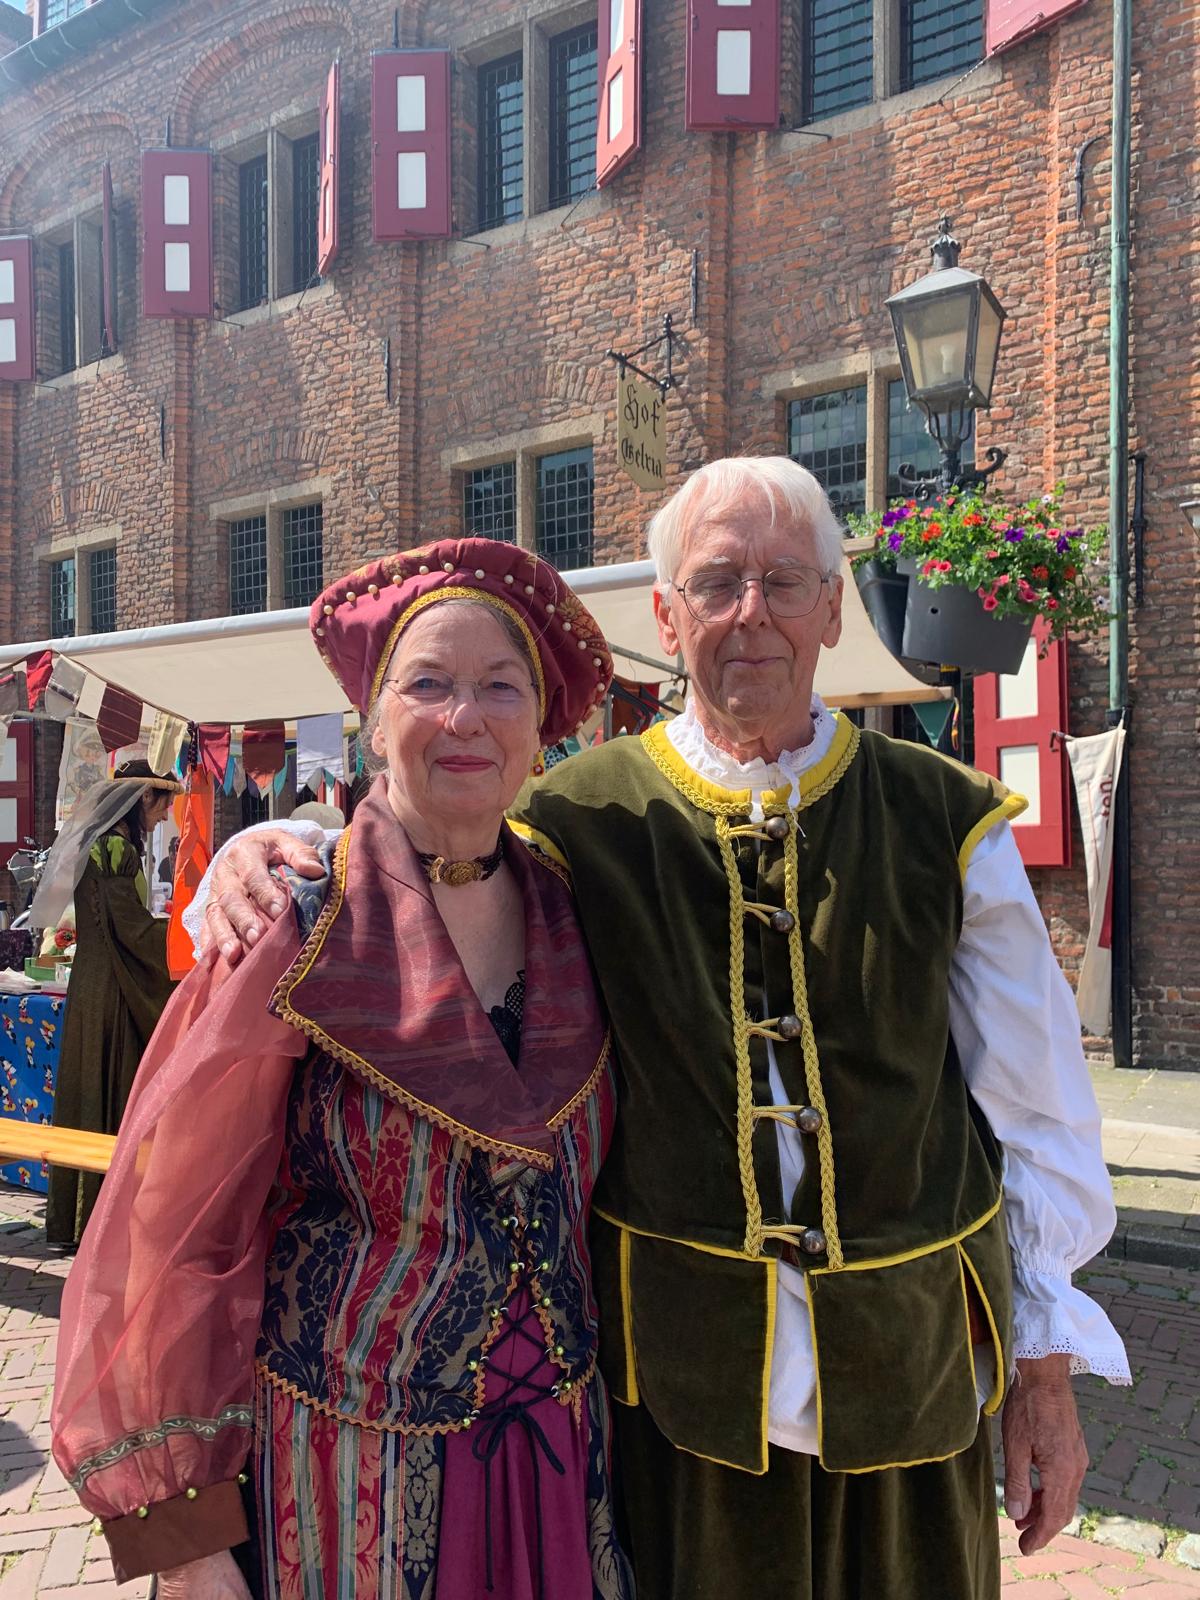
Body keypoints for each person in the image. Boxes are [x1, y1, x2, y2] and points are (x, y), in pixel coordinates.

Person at [196, 458, 1130, 1600]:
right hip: (678, 1387)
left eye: (786, 581)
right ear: (667, 615)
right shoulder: (573, 816)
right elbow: (427, 840)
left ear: (835, 609)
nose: (753, 613)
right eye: (718, 582)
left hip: (913, 1369)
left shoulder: (948, 818)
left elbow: (1038, 1110)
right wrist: (266, 852)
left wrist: (1044, 1376)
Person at [51, 540, 632, 1600]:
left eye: (502, 686)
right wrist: (185, 1540)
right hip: (347, 1480)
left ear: (544, 724)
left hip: (558, 1471)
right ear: (371, 716)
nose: (466, 717)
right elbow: (174, 1229)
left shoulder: (581, 903)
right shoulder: (294, 921)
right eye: (428, 684)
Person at [31, 759, 180, 1246]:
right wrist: (181, 939)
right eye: (162, 806)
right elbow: (129, 927)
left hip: (91, 983)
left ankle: (81, 1220)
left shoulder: (102, 843)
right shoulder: (115, 848)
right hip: (115, 986)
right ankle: (105, 1220)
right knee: (114, 1086)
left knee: (88, 1089)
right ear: (144, 798)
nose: (165, 816)